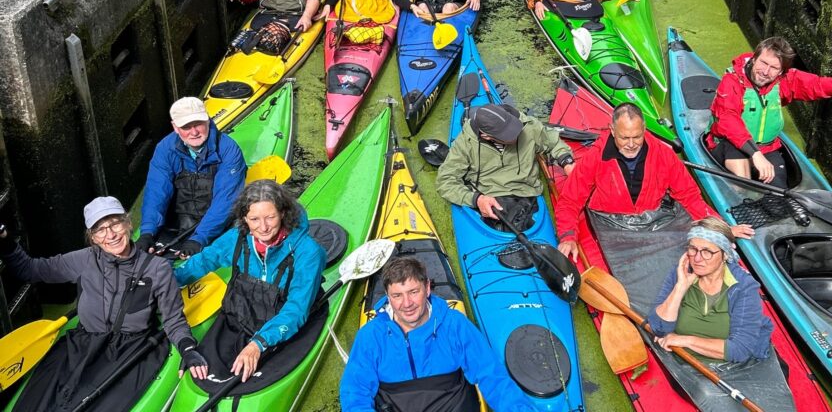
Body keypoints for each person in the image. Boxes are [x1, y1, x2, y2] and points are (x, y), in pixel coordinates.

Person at [0, 197, 208, 411]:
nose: (110, 234)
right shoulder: (84, 260)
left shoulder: (157, 269)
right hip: (82, 344)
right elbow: (30, 270)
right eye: (100, 229)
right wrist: (5, 239)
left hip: (131, 349)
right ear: (93, 238)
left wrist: (188, 348)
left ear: (128, 223)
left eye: (115, 223)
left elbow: (173, 319)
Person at [555, 103, 753, 263]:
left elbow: (689, 197)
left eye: (637, 137)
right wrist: (568, 236)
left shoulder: (664, 154)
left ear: (644, 129)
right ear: (612, 131)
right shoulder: (595, 157)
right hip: (610, 224)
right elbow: (570, 200)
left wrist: (721, 227)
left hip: (652, 221)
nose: (631, 144)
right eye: (624, 137)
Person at [174, 180, 326, 384]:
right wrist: (167, 282)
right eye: (254, 219)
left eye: (270, 217)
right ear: (244, 219)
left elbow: (297, 308)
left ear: (283, 213)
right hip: (239, 315)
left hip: (281, 325)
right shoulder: (237, 237)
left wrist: (258, 344)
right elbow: (204, 260)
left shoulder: (309, 253)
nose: (263, 227)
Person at [340, 257, 537, 412]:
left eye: (413, 292)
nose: (406, 304)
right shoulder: (370, 336)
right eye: (397, 296)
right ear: (388, 297)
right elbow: (355, 394)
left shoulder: (455, 325)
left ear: (427, 288)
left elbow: (493, 377)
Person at [708, 36, 832, 187]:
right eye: (763, 63)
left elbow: (816, 84)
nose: (765, 72)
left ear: (781, 72)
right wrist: (755, 154)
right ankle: (740, 195)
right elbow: (728, 119)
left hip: (767, 147)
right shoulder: (732, 82)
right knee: (741, 184)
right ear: (754, 58)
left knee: (777, 197)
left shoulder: (785, 81)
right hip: (729, 144)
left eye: (774, 68)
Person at [648, 217, 772, 364]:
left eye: (707, 251)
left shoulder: (744, 287)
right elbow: (658, 328)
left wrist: (685, 340)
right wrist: (680, 288)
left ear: (725, 254)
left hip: (730, 368)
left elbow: (740, 350)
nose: (697, 258)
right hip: (682, 361)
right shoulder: (680, 273)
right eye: (693, 249)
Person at [137, 96, 247, 259]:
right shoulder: (164, 149)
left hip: (213, 223)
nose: (194, 132)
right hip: (177, 221)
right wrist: (147, 231)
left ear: (208, 121)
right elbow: (156, 192)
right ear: (175, 127)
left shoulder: (229, 151)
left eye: (198, 124)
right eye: (186, 126)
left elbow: (225, 200)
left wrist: (199, 238)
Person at [437, 103, 574, 231]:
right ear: (486, 136)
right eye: (507, 135)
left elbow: (554, 142)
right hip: (488, 194)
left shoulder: (528, 126)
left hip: (526, 191)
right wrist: (476, 199)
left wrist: (567, 162)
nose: (515, 134)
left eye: (514, 129)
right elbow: (445, 181)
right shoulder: (465, 143)